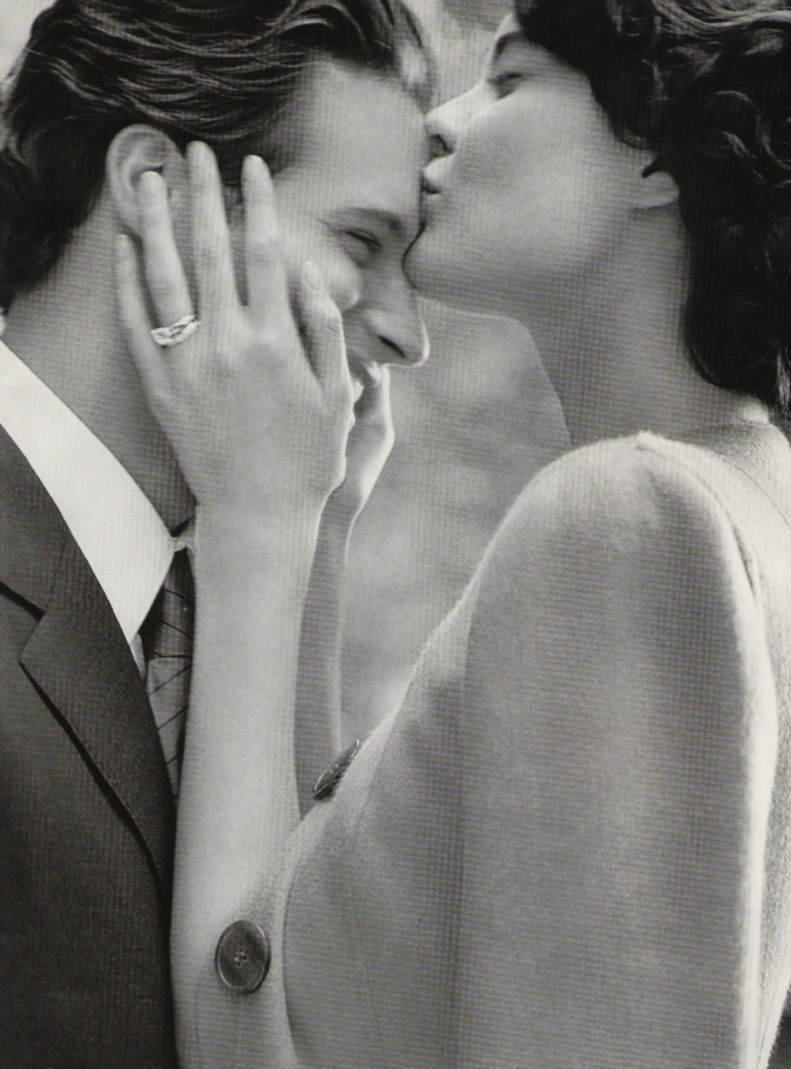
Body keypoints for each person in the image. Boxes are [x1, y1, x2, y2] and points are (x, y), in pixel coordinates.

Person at [120, 0, 791, 1066]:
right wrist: (318, 520)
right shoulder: (754, 523)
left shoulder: (628, 512)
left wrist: (253, 521)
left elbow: (239, 1018)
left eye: (509, 80)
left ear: (659, 152)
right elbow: (311, 946)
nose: (440, 124)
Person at [0, 0, 429, 1065]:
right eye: (361, 241)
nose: (407, 333)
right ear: (155, 185)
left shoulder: (224, 600)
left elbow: (301, 1003)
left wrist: (303, 529)